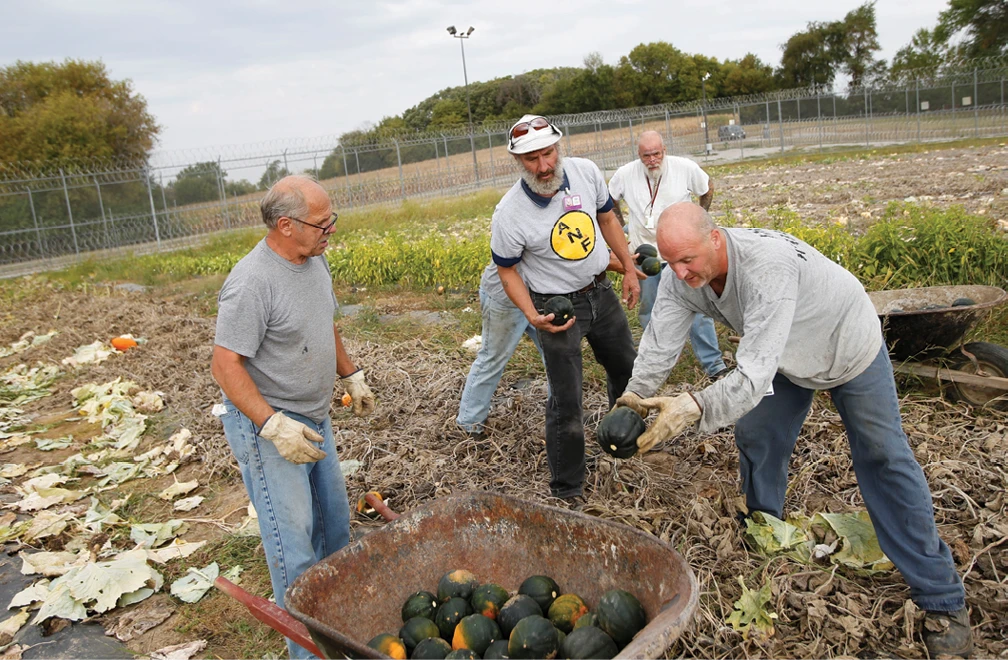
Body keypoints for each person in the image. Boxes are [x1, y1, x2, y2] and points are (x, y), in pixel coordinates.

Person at [616, 202, 972, 658]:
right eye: (671, 262)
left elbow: (749, 378)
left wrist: (693, 408)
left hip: (847, 346)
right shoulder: (680, 278)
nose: (681, 272)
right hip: (782, 356)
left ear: (716, 238)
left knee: (883, 456)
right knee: (758, 433)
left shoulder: (766, 268)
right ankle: (766, 529)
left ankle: (942, 599)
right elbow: (661, 342)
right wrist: (633, 398)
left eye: (688, 260)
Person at [210, 175, 377, 660]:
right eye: (323, 223)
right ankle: (309, 653)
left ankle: (337, 633)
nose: (332, 231)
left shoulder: (314, 260)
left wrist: (352, 375)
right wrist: (272, 425)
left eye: (332, 221)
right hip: (270, 429)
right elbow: (225, 365)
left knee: (335, 532)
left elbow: (322, 324)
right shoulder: (251, 282)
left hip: (314, 417)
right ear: (286, 225)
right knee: (294, 549)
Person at [491, 114, 640, 504]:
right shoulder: (509, 214)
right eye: (532, 159)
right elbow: (507, 271)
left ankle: (622, 441)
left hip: (600, 293)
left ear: (560, 146)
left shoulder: (586, 172)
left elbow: (607, 218)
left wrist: (627, 268)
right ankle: (567, 488)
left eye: (549, 153)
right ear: (517, 161)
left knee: (627, 369)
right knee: (567, 399)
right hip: (556, 308)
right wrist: (531, 315)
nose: (544, 166)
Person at [456, 255, 645, 438]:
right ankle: (469, 422)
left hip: (544, 299)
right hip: (507, 299)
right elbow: (558, 258)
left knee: (557, 361)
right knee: (493, 358)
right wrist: (606, 262)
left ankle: (565, 416)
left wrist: (611, 257)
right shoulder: (523, 224)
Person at [608, 130, 727, 379]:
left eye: (656, 154)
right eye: (646, 156)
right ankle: (657, 366)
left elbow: (707, 188)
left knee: (698, 309)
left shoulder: (684, 168)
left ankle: (714, 365)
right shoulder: (625, 174)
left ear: (665, 150)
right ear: (638, 155)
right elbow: (609, 201)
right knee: (650, 310)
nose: (652, 160)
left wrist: (698, 221)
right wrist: (620, 229)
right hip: (645, 255)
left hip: (682, 255)